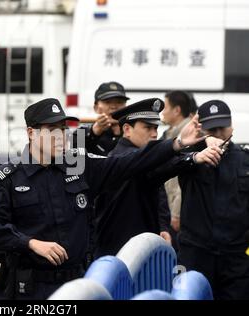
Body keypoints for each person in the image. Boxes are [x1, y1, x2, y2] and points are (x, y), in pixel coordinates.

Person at [0, 97, 212, 300]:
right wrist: (29, 243)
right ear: (31, 133)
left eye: (63, 129)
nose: (60, 136)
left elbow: (132, 162)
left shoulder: (80, 167)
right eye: (51, 130)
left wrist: (178, 143)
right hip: (30, 288)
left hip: (80, 284)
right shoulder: (8, 178)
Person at [92, 98, 220, 258]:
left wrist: (163, 226)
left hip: (139, 251)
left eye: (155, 128)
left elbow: (158, 193)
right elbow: (158, 165)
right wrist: (191, 154)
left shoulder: (147, 160)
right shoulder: (122, 158)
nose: (154, 134)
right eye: (147, 127)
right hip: (117, 255)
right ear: (127, 129)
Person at [178, 100, 249, 300]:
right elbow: (165, 164)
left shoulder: (245, 160)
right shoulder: (190, 157)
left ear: (232, 126)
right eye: (211, 129)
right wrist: (197, 145)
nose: (217, 134)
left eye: (222, 127)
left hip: (236, 259)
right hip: (195, 254)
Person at [160, 91, 194, 251]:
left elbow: (184, 176)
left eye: (165, 107)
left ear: (177, 110)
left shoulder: (188, 135)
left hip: (178, 209)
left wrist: (176, 213)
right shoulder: (170, 133)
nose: (162, 112)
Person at [73, 81, 129, 155]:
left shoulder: (134, 132)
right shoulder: (83, 132)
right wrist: (94, 132)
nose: (114, 107)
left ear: (126, 107)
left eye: (119, 102)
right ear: (96, 108)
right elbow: (71, 155)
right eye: (107, 102)